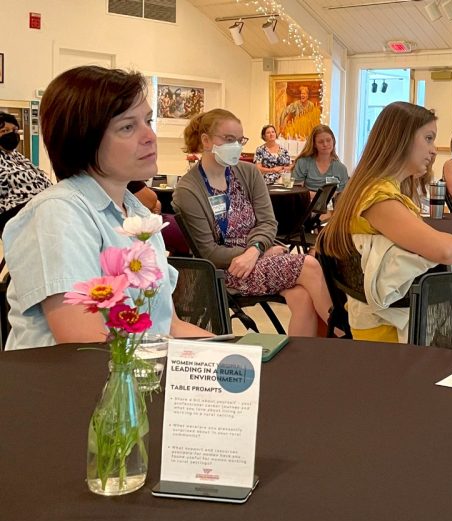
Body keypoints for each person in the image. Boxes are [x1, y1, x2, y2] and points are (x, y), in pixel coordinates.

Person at [2, 66, 211, 350]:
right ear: (84, 139)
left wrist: (245, 352)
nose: (150, 136)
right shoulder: (59, 213)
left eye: (148, 121)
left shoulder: (137, 213)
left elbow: (169, 325)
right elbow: (85, 346)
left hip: (138, 376)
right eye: (127, 127)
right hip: (77, 387)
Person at [319, 102, 452, 343]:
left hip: (401, 310)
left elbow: (407, 256)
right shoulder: (378, 198)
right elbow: (442, 249)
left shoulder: (372, 189)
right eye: (429, 139)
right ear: (400, 140)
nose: (434, 150)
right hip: (400, 323)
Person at [173, 108, 332, 337]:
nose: (236, 146)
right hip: (226, 270)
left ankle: (302, 365)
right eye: (229, 140)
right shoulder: (189, 190)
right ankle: (344, 334)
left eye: (239, 140)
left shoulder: (248, 172)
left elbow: (268, 222)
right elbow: (208, 251)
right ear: (206, 141)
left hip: (256, 256)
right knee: (309, 265)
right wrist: (259, 253)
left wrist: (255, 251)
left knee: (302, 297)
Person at [0, 112, 51, 232]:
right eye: (5, 130)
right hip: (20, 216)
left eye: (14, 130)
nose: (11, 134)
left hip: (45, 206)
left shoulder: (18, 156)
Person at [291, 124, 349, 193]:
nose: (325, 144)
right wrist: (319, 196)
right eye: (321, 142)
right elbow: (296, 191)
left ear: (333, 140)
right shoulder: (303, 163)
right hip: (307, 202)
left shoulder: (341, 169)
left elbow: (342, 196)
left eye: (328, 140)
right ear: (314, 144)